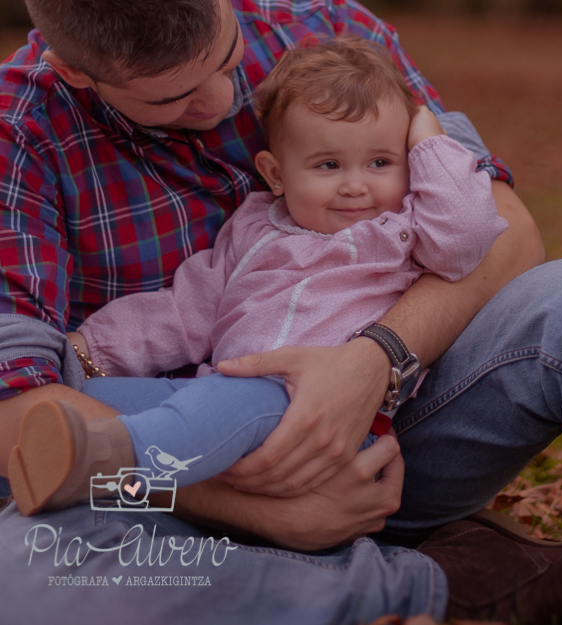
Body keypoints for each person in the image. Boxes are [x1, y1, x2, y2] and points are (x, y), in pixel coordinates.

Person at [0, 1, 562, 624]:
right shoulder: (19, 132)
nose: (224, 100)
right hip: (170, 481)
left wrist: (371, 360)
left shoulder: (328, 32)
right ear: (76, 70)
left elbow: (506, 232)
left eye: (228, 59)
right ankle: (444, 586)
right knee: (20, 574)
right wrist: (250, 506)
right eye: (170, 95)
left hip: (392, 433)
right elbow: (20, 428)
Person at [6, 37, 509, 517]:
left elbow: (467, 239)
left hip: (323, 415)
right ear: (275, 175)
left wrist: (428, 141)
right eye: (329, 164)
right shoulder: (253, 228)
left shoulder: (405, 230)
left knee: (215, 409)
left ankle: (112, 466)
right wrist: (84, 352)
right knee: (82, 409)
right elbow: (183, 311)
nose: (357, 186)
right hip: (217, 394)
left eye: (381, 162)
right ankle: (59, 463)